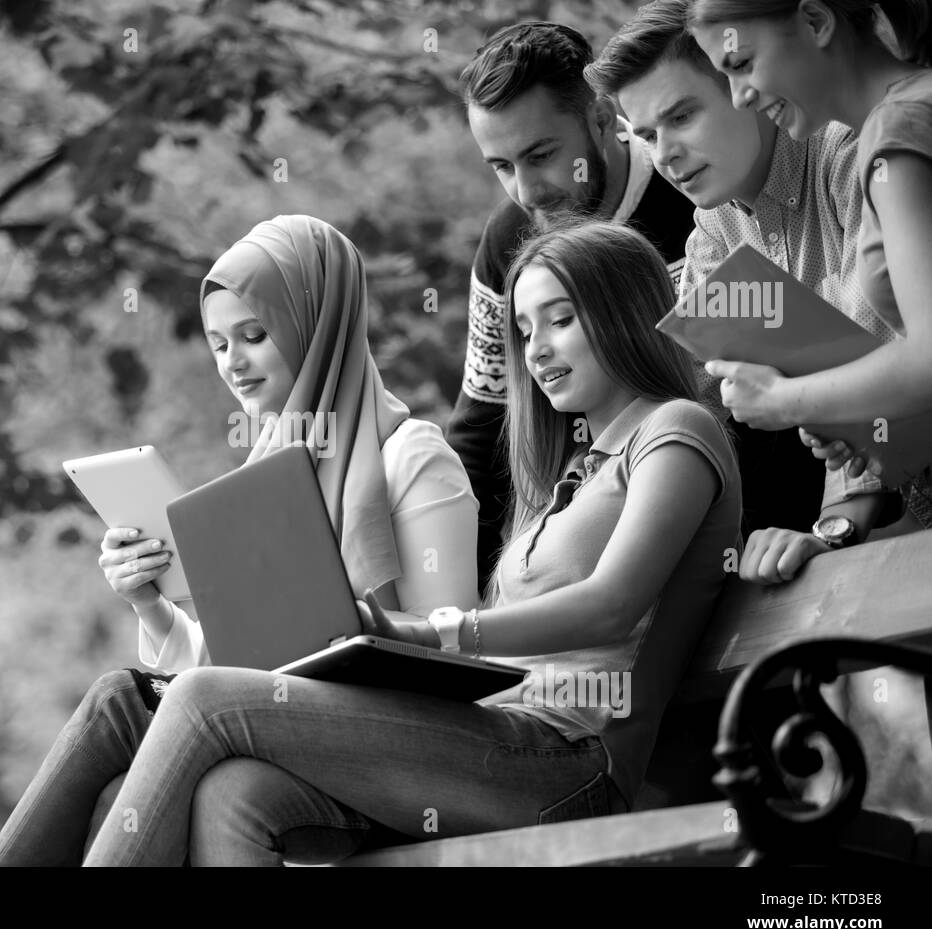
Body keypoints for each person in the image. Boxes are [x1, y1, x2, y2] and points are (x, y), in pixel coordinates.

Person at [81, 220, 743, 867]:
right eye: (523, 329)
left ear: (625, 313)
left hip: (574, 760)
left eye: (560, 319)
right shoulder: (566, 477)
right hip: (500, 740)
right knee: (236, 792)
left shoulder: (675, 429)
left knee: (203, 697)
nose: (535, 348)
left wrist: (433, 634)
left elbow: (611, 605)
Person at [0, 215, 478, 866]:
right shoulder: (261, 476)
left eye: (253, 335)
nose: (232, 363)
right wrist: (150, 602)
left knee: (126, 710)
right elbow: (221, 667)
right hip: (266, 720)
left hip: (386, 747)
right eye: (218, 344)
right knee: (114, 732)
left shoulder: (413, 457)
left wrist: (356, 629)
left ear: (313, 326)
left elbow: (452, 655)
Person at [585, 0, 901, 583]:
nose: (665, 155)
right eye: (648, 135)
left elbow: (880, 369)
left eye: (682, 117)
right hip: (884, 536)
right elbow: (691, 397)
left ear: (739, 87)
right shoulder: (713, 237)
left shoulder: (848, 155)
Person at [447, 22, 696, 584]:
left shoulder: (693, 194)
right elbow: (482, 427)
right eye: (503, 167)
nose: (527, 192)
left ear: (603, 119)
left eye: (541, 155)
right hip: (570, 554)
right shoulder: (506, 239)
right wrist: (458, 600)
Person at [687, 0, 932, 531]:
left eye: (742, 63)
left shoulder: (899, 131)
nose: (740, 96)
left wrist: (784, 401)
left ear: (816, 21)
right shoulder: (894, 124)